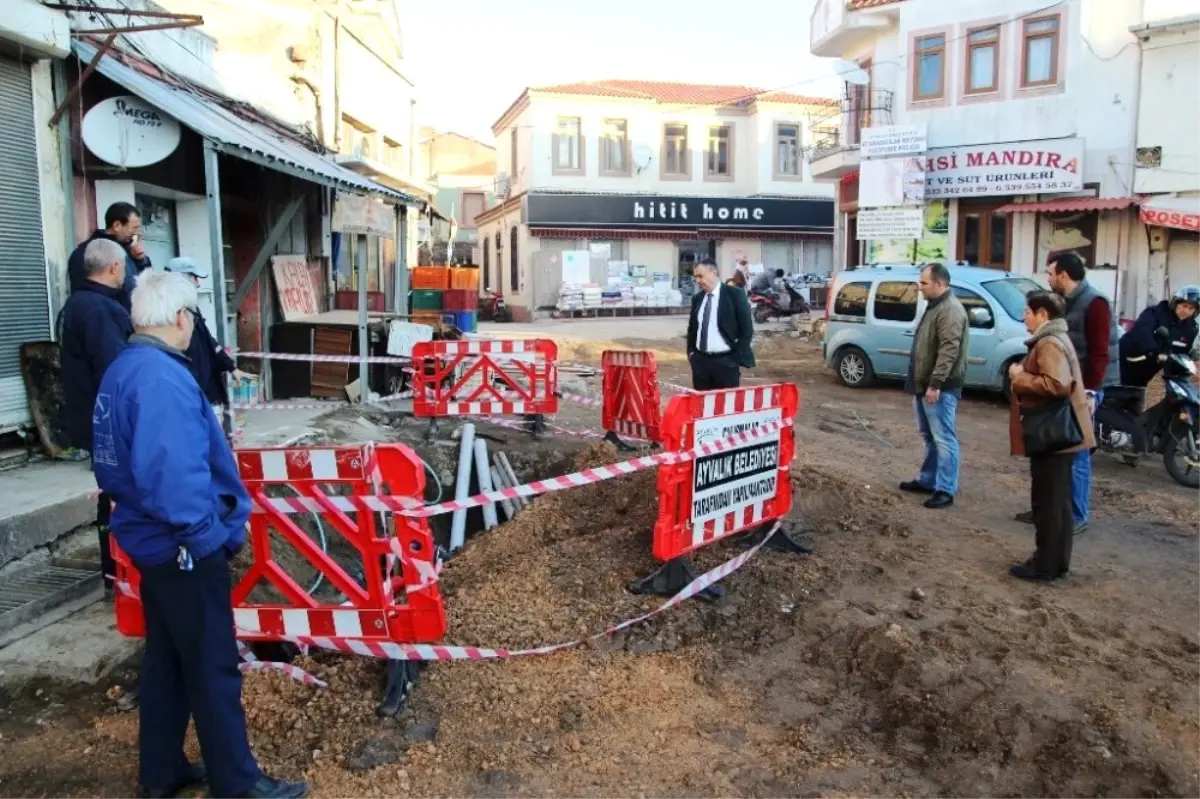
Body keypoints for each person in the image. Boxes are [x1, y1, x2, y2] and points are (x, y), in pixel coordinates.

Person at [92, 272, 307, 799]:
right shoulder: (161, 380)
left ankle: (162, 772)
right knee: (212, 665)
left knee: (168, 660)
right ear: (183, 318)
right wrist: (205, 535)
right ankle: (237, 782)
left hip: (151, 542)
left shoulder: (124, 369)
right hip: (181, 546)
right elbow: (174, 475)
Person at [1014, 251, 1119, 534]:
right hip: (1064, 387)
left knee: (1077, 449)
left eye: (1050, 274)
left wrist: (1091, 392)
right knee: (1054, 448)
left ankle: (1076, 514)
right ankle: (1048, 509)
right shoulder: (1065, 303)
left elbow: (1099, 352)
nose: (1047, 278)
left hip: (1083, 390)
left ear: (1063, 275)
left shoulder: (1095, 303)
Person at [59, 238, 134, 595]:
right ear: (114, 268)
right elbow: (115, 371)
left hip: (95, 418)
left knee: (112, 495)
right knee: (120, 496)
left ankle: (115, 574)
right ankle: (120, 575)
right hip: (109, 421)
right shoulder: (100, 310)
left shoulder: (79, 303)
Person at [1007, 290, 1096, 582]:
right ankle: (1055, 562)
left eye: (1028, 312)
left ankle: (1044, 567)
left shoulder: (1048, 343)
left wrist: (1018, 376)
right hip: (1062, 434)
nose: (1024, 317)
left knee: (1047, 503)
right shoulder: (1057, 338)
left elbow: (1056, 384)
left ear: (1043, 315)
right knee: (1058, 503)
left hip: (1053, 436)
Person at [898, 263, 969, 510]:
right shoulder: (935, 306)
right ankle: (928, 480)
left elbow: (948, 351)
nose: (920, 287)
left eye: (924, 282)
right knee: (930, 436)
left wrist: (936, 384)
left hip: (939, 387)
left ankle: (945, 489)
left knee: (943, 438)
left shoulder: (949, 310)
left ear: (940, 284)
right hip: (924, 383)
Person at [163, 257, 244, 409]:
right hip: (192, 394)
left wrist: (231, 366)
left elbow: (209, 341)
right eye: (194, 278)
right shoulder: (166, 314)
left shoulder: (192, 309)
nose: (198, 284)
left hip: (207, 391)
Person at [68, 201, 153, 307]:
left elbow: (146, 284)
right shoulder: (87, 252)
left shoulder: (128, 250)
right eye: (134, 228)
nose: (136, 233)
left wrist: (141, 260)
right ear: (117, 225)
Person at [686, 258, 754, 390]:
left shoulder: (734, 294)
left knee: (725, 407)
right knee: (703, 406)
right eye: (695, 277)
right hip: (700, 362)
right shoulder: (697, 299)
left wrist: (735, 358)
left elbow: (747, 330)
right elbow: (692, 329)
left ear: (714, 273)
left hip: (726, 362)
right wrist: (692, 354)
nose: (697, 281)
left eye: (700, 276)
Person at [1119, 285, 1199, 391]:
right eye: (1184, 306)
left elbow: (1181, 354)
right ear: (1175, 303)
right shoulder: (1155, 313)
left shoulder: (1191, 328)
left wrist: (1190, 366)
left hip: (1150, 373)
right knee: (1114, 400)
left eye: (1191, 308)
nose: (1186, 311)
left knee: (1138, 401)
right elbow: (1142, 331)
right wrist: (1153, 351)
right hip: (1125, 363)